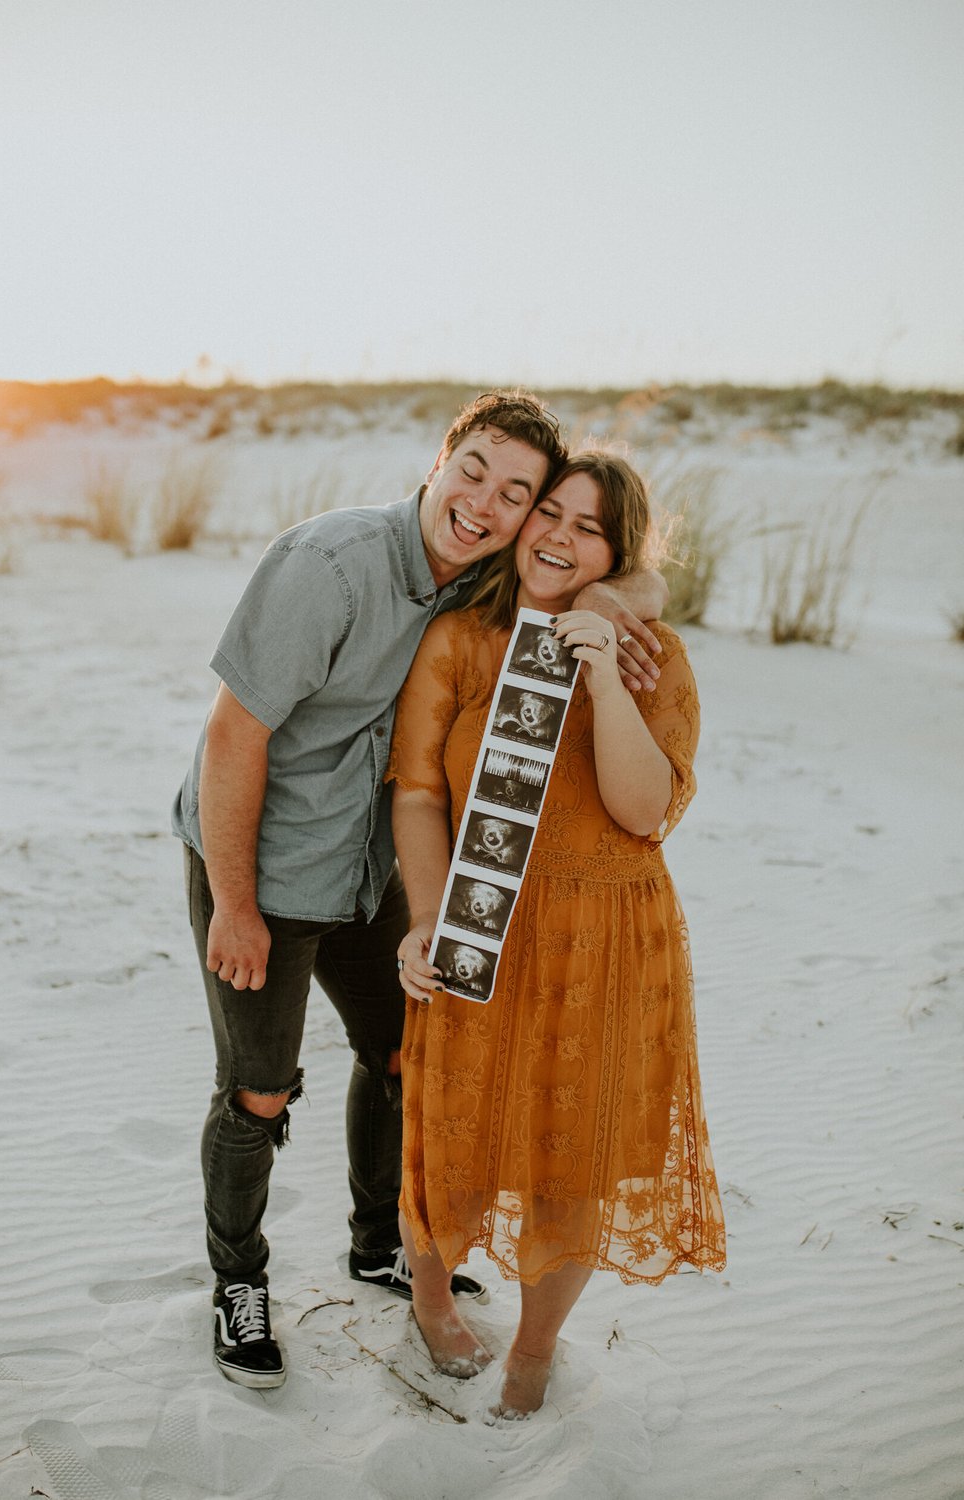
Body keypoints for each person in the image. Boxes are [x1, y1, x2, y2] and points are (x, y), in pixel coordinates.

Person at [172, 392, 669, 1389]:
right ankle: (239, 1280)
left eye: (514, 493)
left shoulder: (486, 570)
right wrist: (233, 903)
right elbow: (235, 736)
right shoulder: (329, 564)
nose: (484, 504)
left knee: (404, 1050)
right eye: (473, 471)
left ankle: (374, 1243)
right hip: (260, 864)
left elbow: (619, 566)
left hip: (372, 865)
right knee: (259, 1091)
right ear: (438, 461)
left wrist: (616, 602)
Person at [388, 448, 726, 1421]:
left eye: (590, 529)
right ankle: (429, 1298)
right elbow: (416, 790)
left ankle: (534, 1351)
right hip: (483, 923)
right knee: (447, 1132)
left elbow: (640, 810)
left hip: (606, 936)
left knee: (571, 1156)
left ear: (615, 556)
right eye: (552, 514)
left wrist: (602, 677)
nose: (560, 537)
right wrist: (423, 920)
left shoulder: (645, 649)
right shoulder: (459, 640)